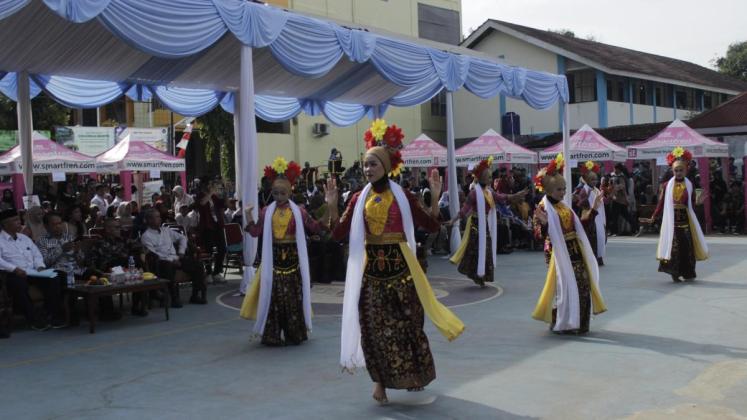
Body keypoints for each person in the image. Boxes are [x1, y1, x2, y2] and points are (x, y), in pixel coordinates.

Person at [326, 119, 464, 404]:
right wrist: (331, 205)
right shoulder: (356, 199)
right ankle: (380, 383)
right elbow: (338, 233)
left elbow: (431, 225)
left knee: (408, 326)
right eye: (365, 164)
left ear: (387, 166)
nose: (367, 169)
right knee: (373, 330)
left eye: (373, 164)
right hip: (372, 277)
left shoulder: (405, 197)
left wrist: (436, 198)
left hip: (403, 275)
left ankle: (411, 375)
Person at [240, 157, 320, 346]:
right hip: (273, 263)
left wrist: (329, 212)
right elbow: (255, 232)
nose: (278, 196)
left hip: (293, 264)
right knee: (273, 299)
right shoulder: (266, 211)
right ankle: (272, 335)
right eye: (275, 193)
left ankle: (295, 334)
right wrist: (249, 215)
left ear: (290, 192)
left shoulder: (299, 212)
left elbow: (315, 227)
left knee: (293, 299)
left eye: (282, 193)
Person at [531, 154, 607, 335]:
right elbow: (538, 236)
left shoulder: (565, 207)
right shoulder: (542, 208)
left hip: (575, 251)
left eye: (564, 188)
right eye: (559, 189)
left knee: (583, 284)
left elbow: (580, 226)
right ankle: (562, 321)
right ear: (548, 190)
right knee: (563, 287)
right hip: (557, 253)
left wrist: (594, 209)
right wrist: (544, 224)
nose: (563, 192)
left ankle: (579, 323)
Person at [450, 158, 526, 287]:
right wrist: (453, 220)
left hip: (485, 223)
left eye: (491, 177)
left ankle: (481, 274)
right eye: (489, 177)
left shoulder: (489, 192)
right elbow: (465, 209)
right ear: (481, 178)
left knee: (486, 248)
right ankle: (475, 274)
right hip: (475, 223)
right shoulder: (474, 193)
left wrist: (516, 195)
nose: (491, 179)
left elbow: (502, 198)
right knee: (475, 249)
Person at [640, 147, 708, 282]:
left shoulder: (689, 185)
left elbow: (692, 206)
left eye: (681, 170)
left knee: (687, 247)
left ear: (686, 170)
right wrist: (654, 216)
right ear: (673, 171)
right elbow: (661, 203)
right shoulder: (666, 185)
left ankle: (688, 272)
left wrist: (698, 203)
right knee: (674, 248)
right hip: (672, 222)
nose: (678, 173)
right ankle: (674, 273)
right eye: (676, 170)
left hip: (686, 221)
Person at [0, 209, 65, 330]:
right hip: (14, 274)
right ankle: (33, 319)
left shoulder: (24, 238)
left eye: (18, 219)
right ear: (4, 224)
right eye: (14, 220)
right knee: (18, 285)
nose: (19, 222)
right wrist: (14, 269)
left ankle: (51, 315)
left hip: (34, 271)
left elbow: (36, 254)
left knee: (55, 277)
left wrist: (40, 266)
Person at [141, 208, 208, 307]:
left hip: (176, 258)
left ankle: (195, 295)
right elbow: (154, 255)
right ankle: (174, 298)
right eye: (157, 217)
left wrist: (181, 253)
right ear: (150, 220)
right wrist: (172, 260)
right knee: (167, 266)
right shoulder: (146, 236)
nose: (160, 219)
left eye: (159, 217)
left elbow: (182, 238)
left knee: (197, 264)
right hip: (162, 262)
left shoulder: (165, 230)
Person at [89, 218, 148, 316]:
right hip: (108, 269)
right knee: (126, 260)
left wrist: (141, 253)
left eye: (119, 227)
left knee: (136, 262)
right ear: (108, 229)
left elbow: (141, 246)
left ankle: (136, 306)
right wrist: (99, 273)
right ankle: (108, 312)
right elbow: (91, 261)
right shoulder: (99, 243)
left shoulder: (124, 240)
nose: (119, 229)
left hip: (123, 267)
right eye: (117, 227)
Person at [573, 161, 607, 266]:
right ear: (587, 180)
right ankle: (593, 259)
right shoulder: (584, 190)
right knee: (592, 238)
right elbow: (580, 204)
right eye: (592, 179)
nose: (595, 181)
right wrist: (586, 197)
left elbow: (603, 202)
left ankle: (599, 257)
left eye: (595, 179)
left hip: (598, 217)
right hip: (588, 217)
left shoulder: (596, 189)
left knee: (601, 238)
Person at [195, 180, 227, 284]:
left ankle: (216, 272)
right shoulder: (200, 195)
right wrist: (210, 193)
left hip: (217, 225)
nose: (213, 187)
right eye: (211, 185)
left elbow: (223, 204)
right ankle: (208, 273)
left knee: (222, 248)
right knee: (208, 251)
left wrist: (226, 190)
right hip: (207, 226)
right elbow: (202, 203)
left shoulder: (215, 196)